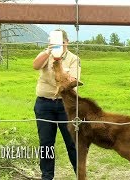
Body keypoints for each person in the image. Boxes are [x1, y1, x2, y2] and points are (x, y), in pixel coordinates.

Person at [33, 29, 81, 180]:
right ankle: (47, 177)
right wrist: (48, 52)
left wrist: (59, 66)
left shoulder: (74, 59)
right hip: (44, 104)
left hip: (66, 106)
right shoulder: (46, 55)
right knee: (46, 143)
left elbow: (72, 81)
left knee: (72, 142)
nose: (58, 45)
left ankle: (80, 175)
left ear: (67, 42)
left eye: (61, 42)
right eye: (53, 42)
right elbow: (35, 65)